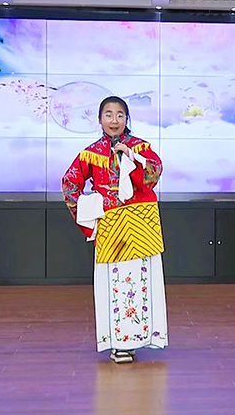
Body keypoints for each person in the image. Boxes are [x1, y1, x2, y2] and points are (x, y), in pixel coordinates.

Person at [62, 96, 168, 364]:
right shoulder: (90, 154)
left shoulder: (141, 147)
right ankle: (119, 342)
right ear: (99, 119)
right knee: (114, 283)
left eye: (120, 115)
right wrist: (88, 215)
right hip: (111, 226)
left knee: (143, 280)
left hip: (141, 222)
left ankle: (146, 337)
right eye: (108, 114)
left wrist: (132, 156)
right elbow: (69, 183)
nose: (114, 120)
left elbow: (154, 174)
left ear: (127, 119)